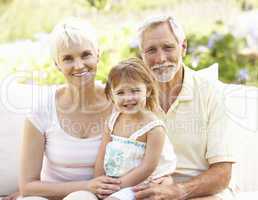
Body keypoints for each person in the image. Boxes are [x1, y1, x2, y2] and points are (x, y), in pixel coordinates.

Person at [4, 17, 121, 200]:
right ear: (57, 64)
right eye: (67, 58)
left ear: (98, 54)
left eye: (85, 55)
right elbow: (27, 186)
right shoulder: (42, 108)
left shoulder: (119, 104)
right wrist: (86, 184)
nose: (79, 65)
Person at [133, 15, 237, 200]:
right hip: (150, 193)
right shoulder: (132, 98)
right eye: (151, 50)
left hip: (202, 193)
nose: (160, 58)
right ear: (142, 55)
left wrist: (177, 191)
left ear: (183, 47)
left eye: (168, 47)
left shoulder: (211, 92)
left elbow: (223, 173)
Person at [94, 58, 177, 200]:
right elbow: (101, 156)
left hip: (141, 185)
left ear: (148, 90)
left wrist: (116, 188)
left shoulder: (154, 128)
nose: (128, 98)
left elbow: (147, 168)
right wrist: (100, 182)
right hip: (113, 184)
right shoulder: (113, 121)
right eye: (120, 93)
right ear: (112, 95)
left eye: (135, 91)